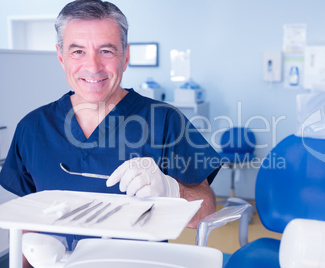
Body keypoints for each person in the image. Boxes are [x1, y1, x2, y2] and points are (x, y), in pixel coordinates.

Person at [0, 0, 221, 251]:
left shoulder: (165, 121)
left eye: (106, 51)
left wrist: (172, 190)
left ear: (125, 56)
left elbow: (205, 212)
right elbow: (29, 223)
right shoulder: (32, 129)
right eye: (78, 51)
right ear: (61, 57)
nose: (93, 66)